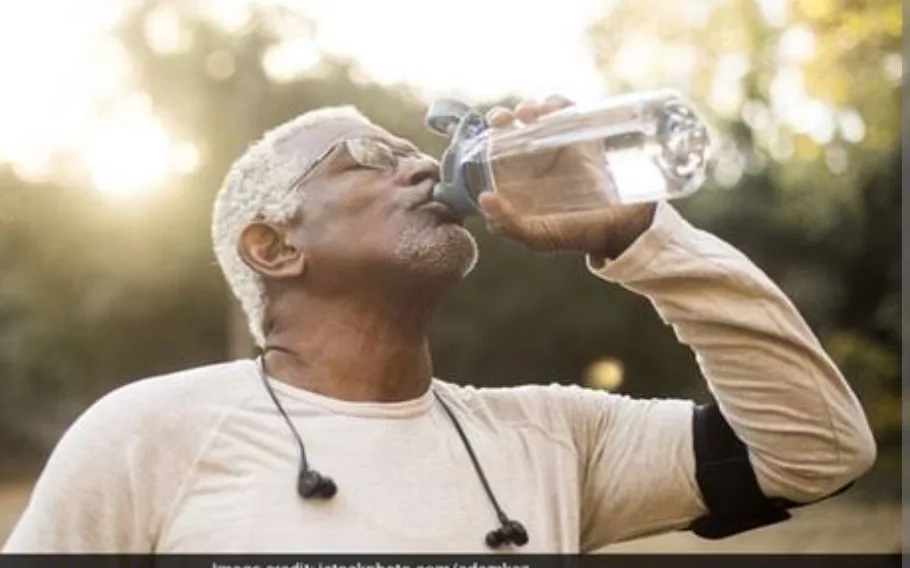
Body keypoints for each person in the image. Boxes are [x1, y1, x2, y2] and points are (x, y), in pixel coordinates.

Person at [3, 96, 876, 554]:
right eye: (370, 157)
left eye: (412, 147)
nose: (421, 163)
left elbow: (820, 452)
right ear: (274, 247)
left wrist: (641, 237)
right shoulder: (147, 434)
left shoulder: (554, 437)